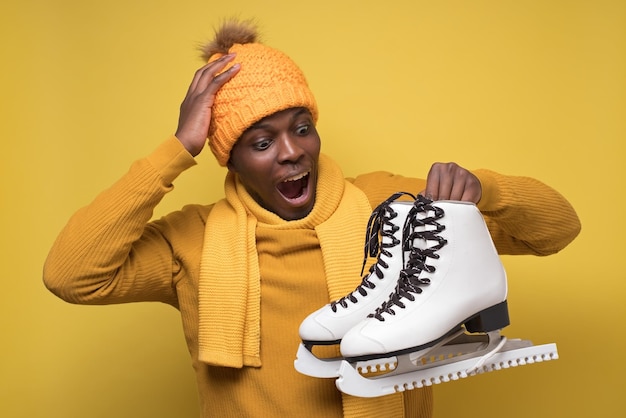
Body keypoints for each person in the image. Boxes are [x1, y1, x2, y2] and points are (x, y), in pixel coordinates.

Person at [43, 19, 581, 418]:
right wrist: (178, 148)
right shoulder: (194, 241)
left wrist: (488, 189)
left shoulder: (388, 209)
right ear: (230, 158)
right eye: (260, 141)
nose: (291, 152)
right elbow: (70, 274)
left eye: (301, 128)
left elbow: (557, 229)